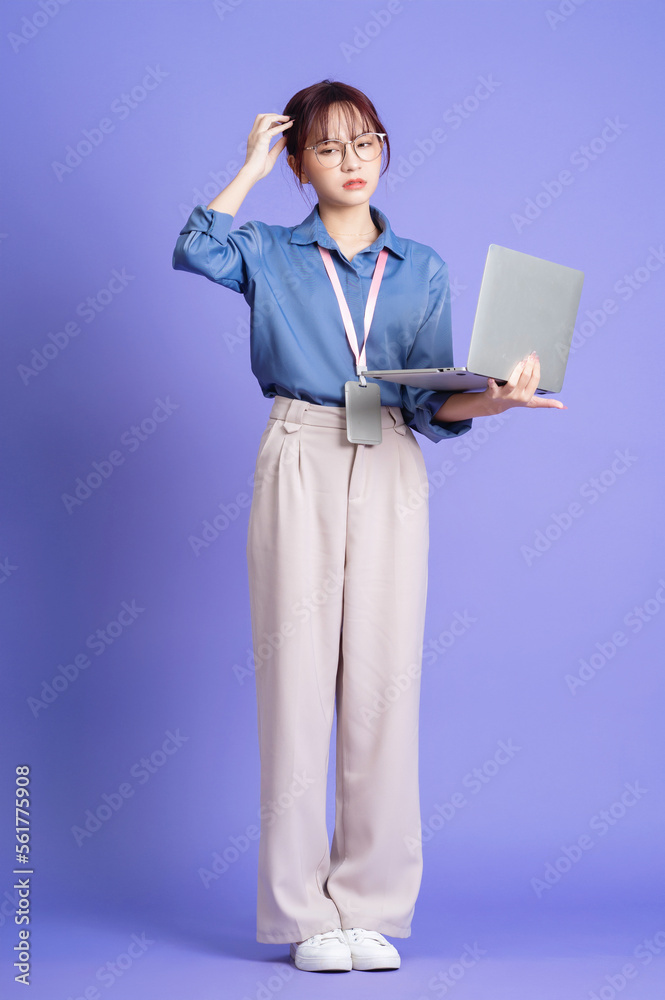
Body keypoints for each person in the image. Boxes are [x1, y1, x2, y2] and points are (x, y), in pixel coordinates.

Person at [172, 80, 565, 974]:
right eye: (326, 148)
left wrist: (497, 401)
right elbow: (194, 248)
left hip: (388, 452)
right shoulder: (269, 250)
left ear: (384, 148)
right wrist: (247, 166)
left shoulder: (419, 264)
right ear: (300, 164)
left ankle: (369, 905)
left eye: (364, 142)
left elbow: (430, 405)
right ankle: (302, 913)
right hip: (301, 449)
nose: (350, 161)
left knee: (384, 686)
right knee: (297, 683)